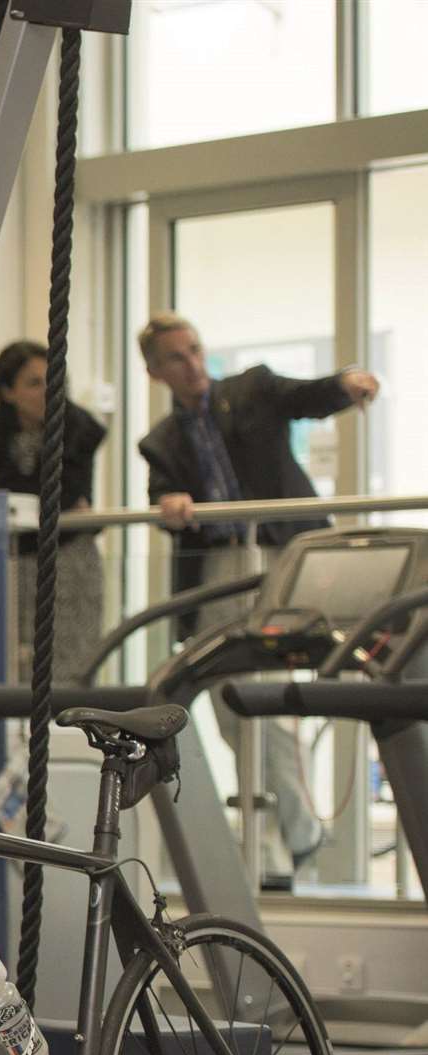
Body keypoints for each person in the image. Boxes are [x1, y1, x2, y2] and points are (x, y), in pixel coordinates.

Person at [137, 310, 380, 878]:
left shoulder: (251, 388)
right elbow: (162, 500)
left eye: (196, 350)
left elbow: (308, 395)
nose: (193, 364)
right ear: (153, 372)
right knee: (230, 709)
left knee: (264, 700)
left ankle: (288, 840)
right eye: (177, 357)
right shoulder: (160, 441)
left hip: (279, 559)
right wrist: (170, 507)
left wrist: (347, 384)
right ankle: (287, 839)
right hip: (221, 569)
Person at [0, 339, 107, 676]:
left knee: (71, 664)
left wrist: (11, 486)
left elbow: (64, 495)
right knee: (15, 659)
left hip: (69, 562)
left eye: (54, 380)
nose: (47, 390)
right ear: (8, 391)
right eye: (33, 383)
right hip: (13, 563)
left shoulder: (78, 430)